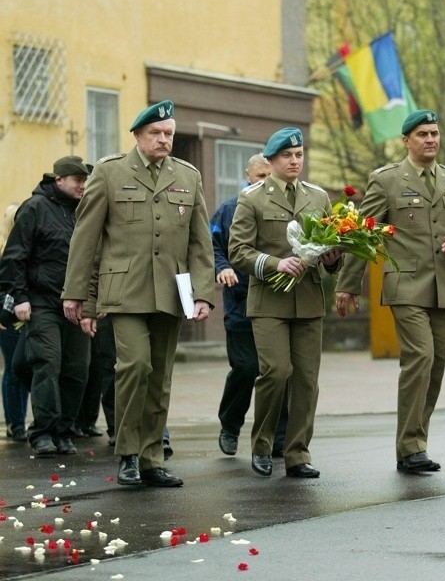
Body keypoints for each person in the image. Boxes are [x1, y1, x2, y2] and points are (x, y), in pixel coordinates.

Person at [62, 100, 215, 488]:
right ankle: (128, 452)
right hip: (124, 290)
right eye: (156, 134)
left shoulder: (188, 175)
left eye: (169, 134)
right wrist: (76, 293)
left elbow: (200, 242)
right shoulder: (110, 172)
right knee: (136, 366)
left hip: (171, 289)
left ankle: (151, 458)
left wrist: (202, 294)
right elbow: (86, 238)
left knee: (161, 376)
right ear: (137, 136)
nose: (164, 140)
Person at [335, 109, 445, 474]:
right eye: (422, 134)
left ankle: (416, 442)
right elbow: (361, 235)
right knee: (420, 356)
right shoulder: (386, 180)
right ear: (407, 141)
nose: (431, 139)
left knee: (435, 365)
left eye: (434, 133)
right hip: (405, 284)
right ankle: (410, 447)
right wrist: (348, 286)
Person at [228, 127, 340, 479]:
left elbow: (327, 249)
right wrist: (276, 264)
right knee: (276, 372)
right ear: (271, 160)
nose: (295, 161)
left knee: (307, 379)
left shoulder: (318, 197)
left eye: (299, 155)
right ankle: (262, 445)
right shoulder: (253, 198)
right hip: (269, 302)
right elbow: (238, 251)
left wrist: (333, 257)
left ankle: (297, 453)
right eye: (287, 156)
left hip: (307, 300)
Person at [0, 157, 92, 456]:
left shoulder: (84, 211)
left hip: (76, 302)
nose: (82, 184)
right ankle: (43, 431)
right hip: (41, 302)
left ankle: (64, 431)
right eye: (76, 179)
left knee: (77, 369)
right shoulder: (34, 208)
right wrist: (20, 296)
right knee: (48, 363)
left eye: (85, 179)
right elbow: (14, 257)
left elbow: (96, 258)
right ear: (58, 180)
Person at [211, 153, 288, 458]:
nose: (266, 183)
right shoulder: (230, 209)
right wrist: (222, 267)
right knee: (246, 367)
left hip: (277, 298)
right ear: (247, 176)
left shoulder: (288, 205)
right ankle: (230, 425)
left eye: (271, 177)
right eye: (260, 177)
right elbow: (212, 245)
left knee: (280, 369)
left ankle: (279, 437)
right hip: (241, 301)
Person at [0, 202, 29, 442]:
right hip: (6, 318)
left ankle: (20, 421)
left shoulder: (27, 248)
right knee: (12, 369)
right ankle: (15, 423)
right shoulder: (3, 251)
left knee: (25, 366)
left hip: (25, 316)